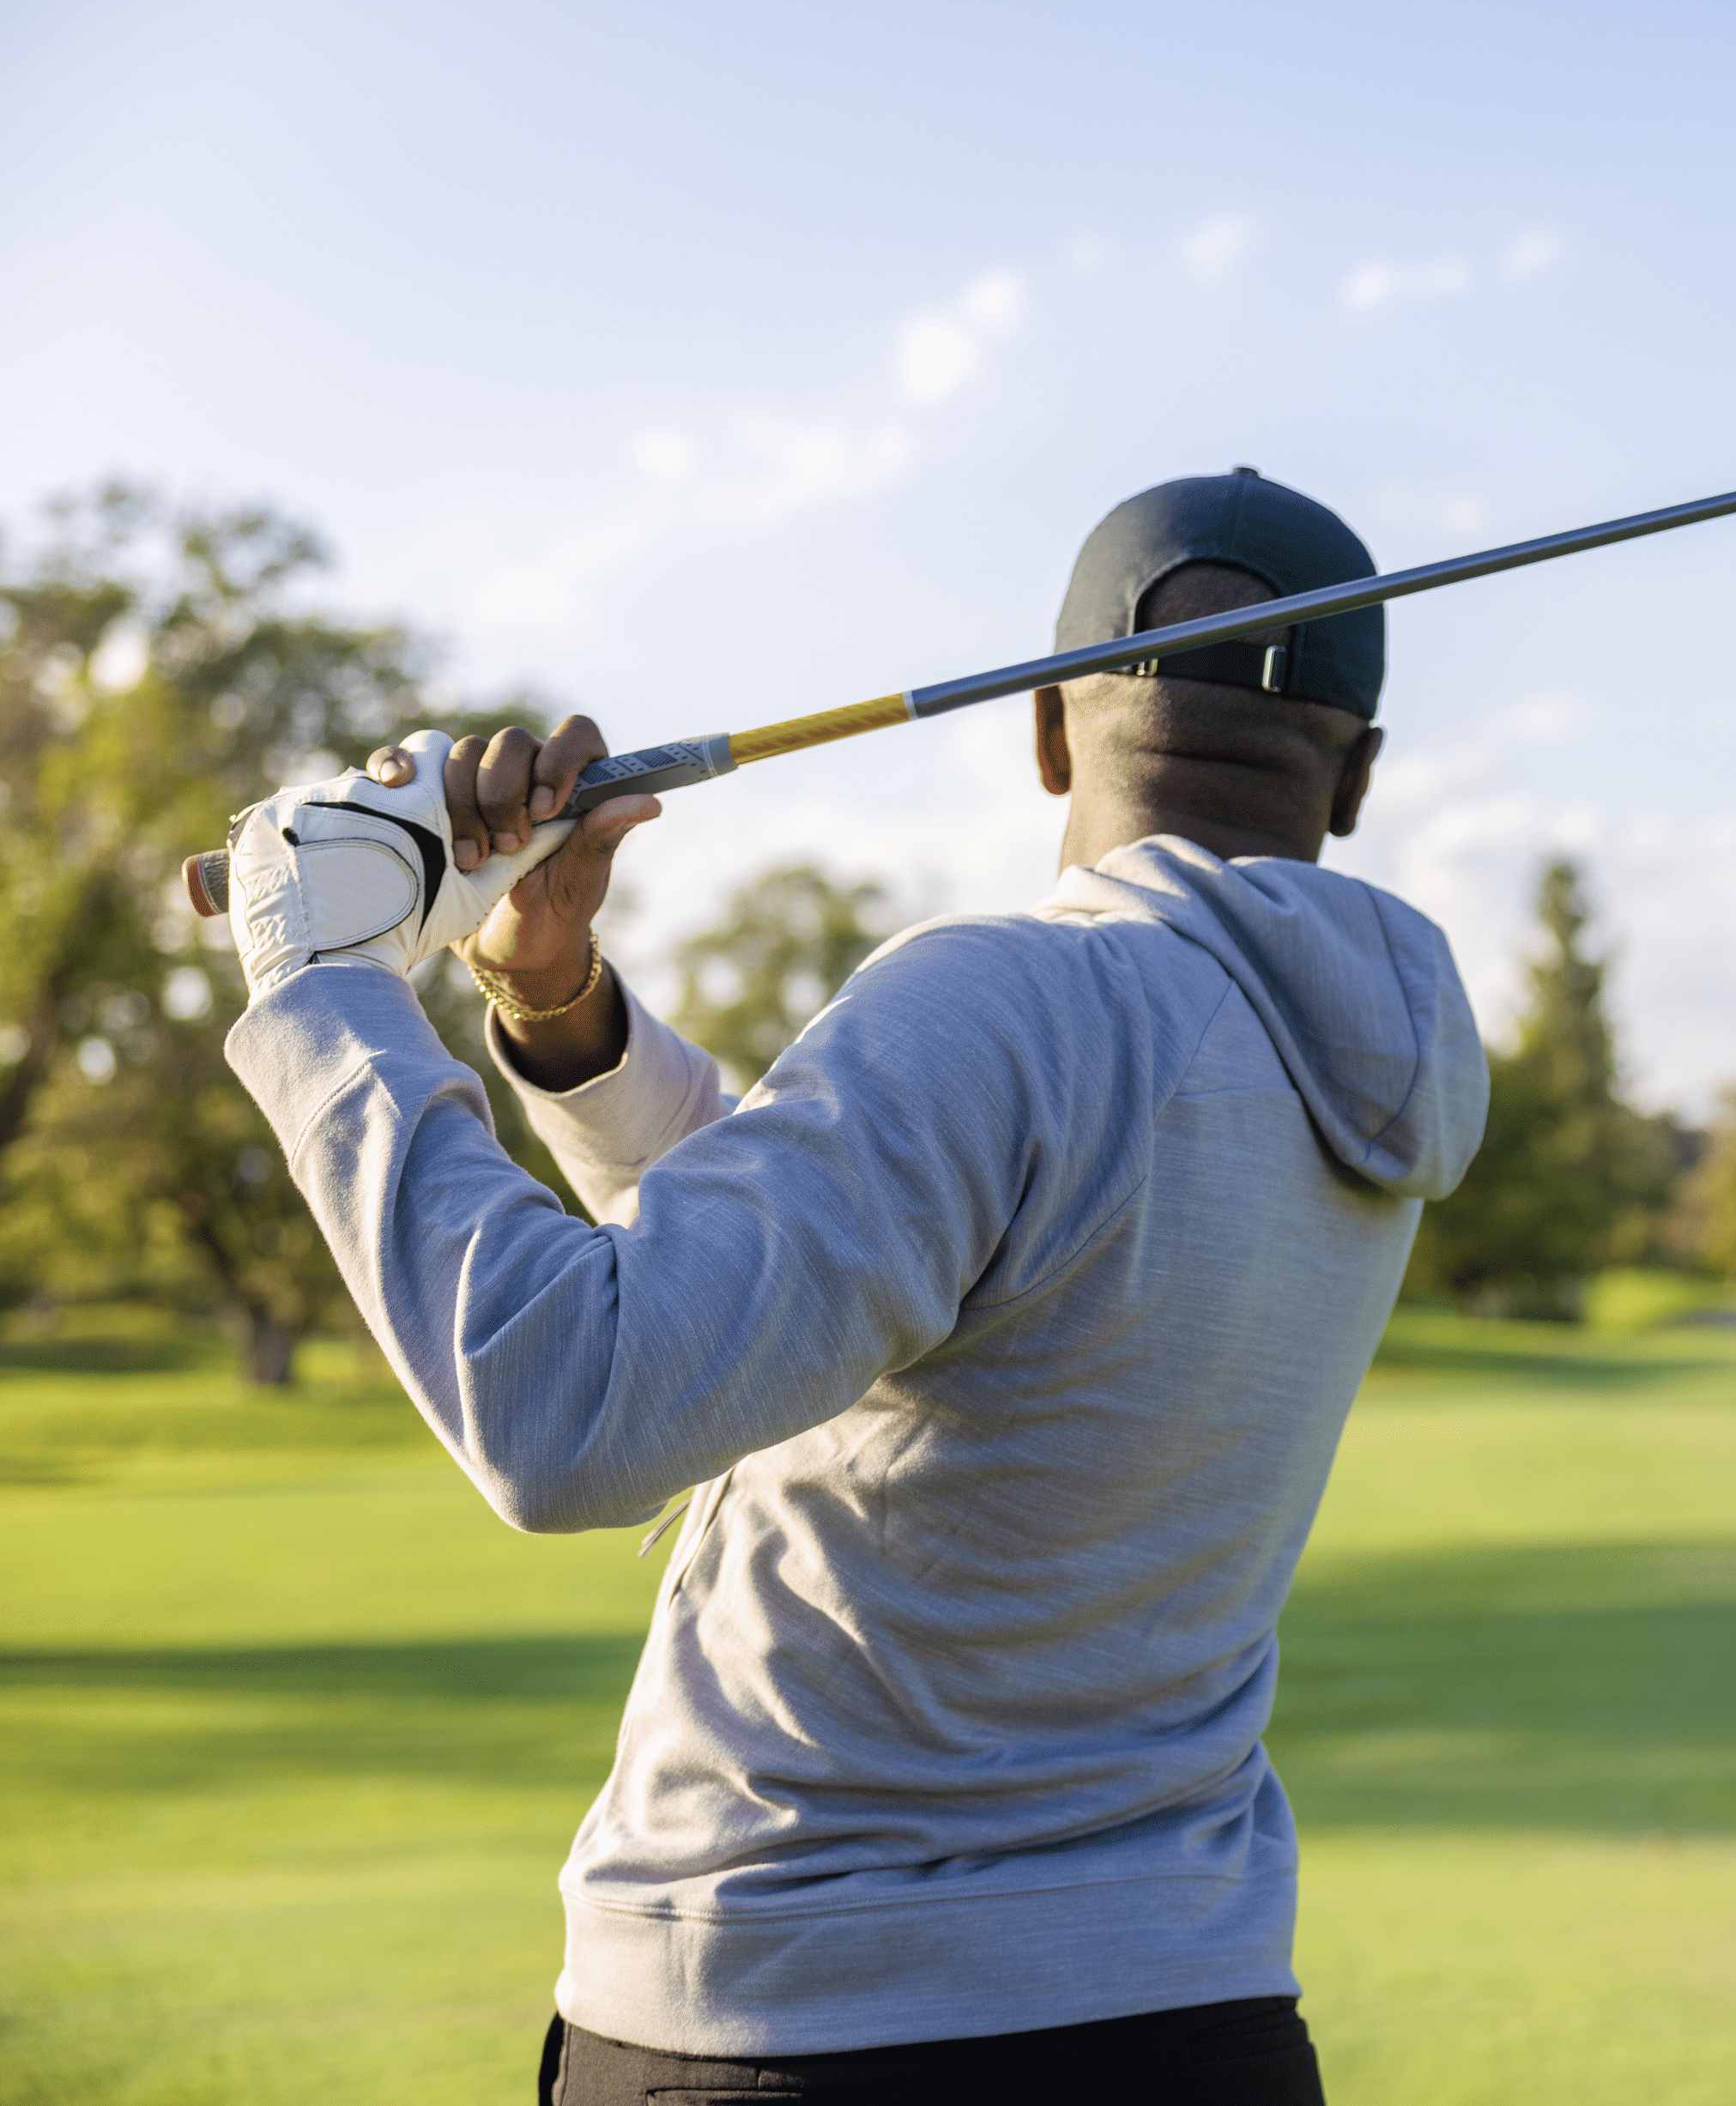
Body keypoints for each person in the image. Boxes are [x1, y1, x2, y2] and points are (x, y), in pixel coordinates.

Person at [215, 471, 1486, 2104]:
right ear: (1359, 777)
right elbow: (837, 1279)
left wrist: (323, 987)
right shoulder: (1356, 1053)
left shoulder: (1007, 1001)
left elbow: (570, 1411)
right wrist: (559, 1004)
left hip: (809, 2023)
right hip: (1195, 2014)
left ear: (1043, 731)